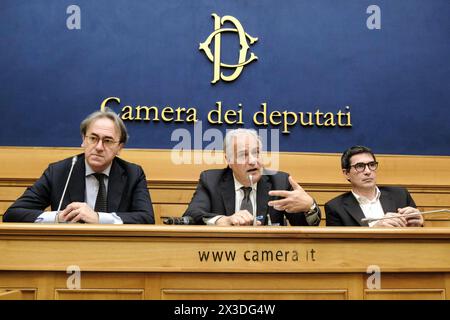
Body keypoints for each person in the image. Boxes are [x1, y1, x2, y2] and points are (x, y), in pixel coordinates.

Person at [3, 109, 154, 224]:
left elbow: (146, 218)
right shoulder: (59, 172)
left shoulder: (133, 174)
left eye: (108, 141)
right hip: (67, 251)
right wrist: (58, 217)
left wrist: (98, 218)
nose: (99, 147)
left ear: (120, 147)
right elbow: (13, 213)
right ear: (83, 140)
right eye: (93, 138)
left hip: (116, 253)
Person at [183, 128, 321, 226]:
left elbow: (304, 225)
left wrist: (309, 207)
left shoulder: (280, 182)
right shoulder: (211, 180)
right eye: (244, 155)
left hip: (269, 259)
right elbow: (192, 214)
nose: (253, 161)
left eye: (257, 153)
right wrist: (222, 220)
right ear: (229, 160)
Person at [324, 145, 423, 227]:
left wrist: (418, 224)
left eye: (371, 165)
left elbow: (418, 235)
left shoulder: (400, 195)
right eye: (360, 166)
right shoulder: (335, 208)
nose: (367, 171)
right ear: (346, 173)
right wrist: (375, 229)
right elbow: (338, 246)